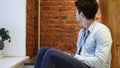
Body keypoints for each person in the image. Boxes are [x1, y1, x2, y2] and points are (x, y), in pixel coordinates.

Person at [34, 0, 112, 68]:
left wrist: (74, 56)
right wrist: (72, 56)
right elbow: (79, 56)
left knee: (51, 54)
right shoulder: (81, 33)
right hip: (82, 64)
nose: (75, 14)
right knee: (42, 50)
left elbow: (100, 62)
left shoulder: (102, 31)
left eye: (76, 11)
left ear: (81, 14)